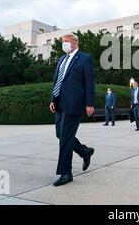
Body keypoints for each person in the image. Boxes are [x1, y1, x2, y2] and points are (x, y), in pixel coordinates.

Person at [49, 34, 95, 187]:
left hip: (74, 104)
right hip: (60, 104)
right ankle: (84, 152)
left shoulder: (84, 58)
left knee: (65, 137)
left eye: (66, 42)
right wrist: (52, 99)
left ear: (75, 43)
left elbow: (89, 83)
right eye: (63, 42)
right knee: (60, 134)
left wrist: (89, 104)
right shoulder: (62, 59)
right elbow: (57, 80)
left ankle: (66, 173)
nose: (64, 44)